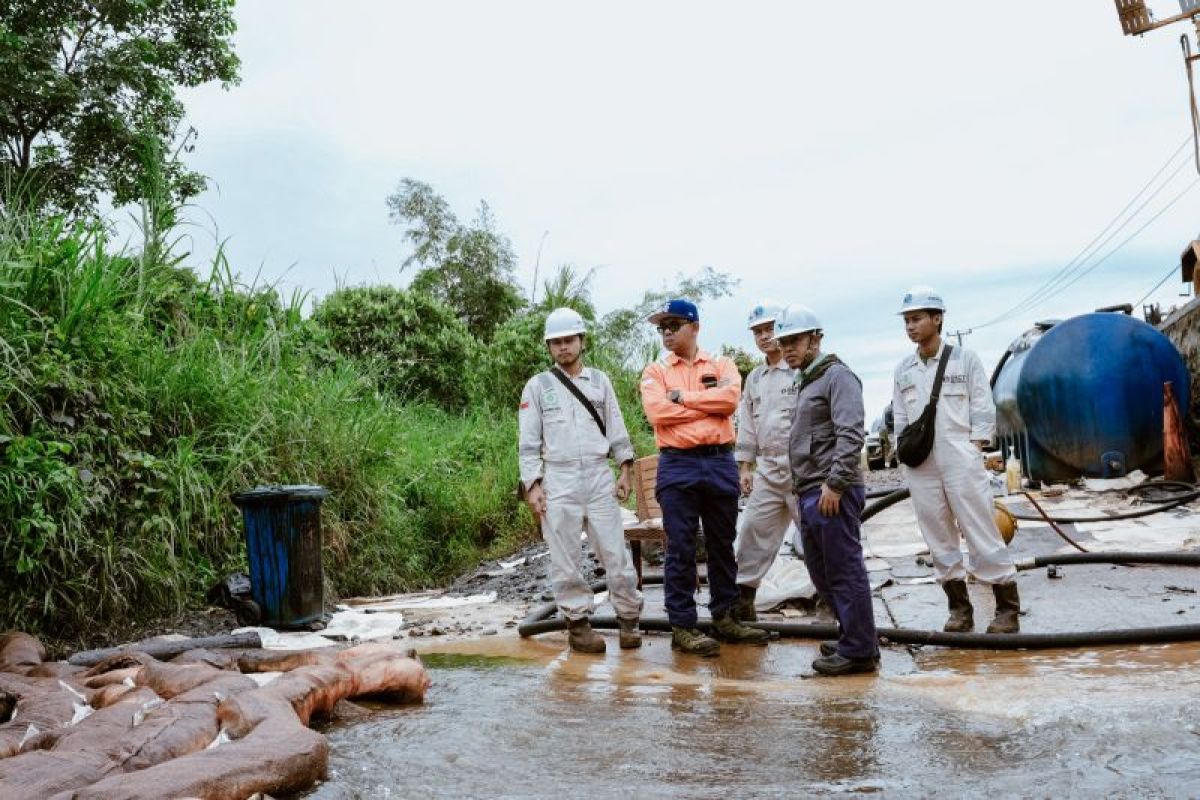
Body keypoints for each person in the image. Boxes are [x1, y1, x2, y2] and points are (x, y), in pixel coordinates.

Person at [639, 298, 771, 656]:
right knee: (680, 547)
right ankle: (683, 626)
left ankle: (725, 617)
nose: (666, 332)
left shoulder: (722, 363)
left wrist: (682, 399)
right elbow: (657, 413)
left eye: (674, 325)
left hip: (718, 461)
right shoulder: (655, 372)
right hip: (677, 463)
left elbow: (729, 401)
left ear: (694, 327)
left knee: (721, 543)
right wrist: (703, 405)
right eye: (662, 327)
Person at [892, 285, 1020, 634]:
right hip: (922, 465)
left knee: (981, 528)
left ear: (937, 319)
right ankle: (960, 610)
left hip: (960, 458)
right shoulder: (903, 369)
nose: (911, 326)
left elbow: (982, 407)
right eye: (906, 320)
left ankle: (1007, 609)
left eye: (917, 319)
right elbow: (900, 418)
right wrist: (904, 456)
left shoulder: (965, 360)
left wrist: (974, 449)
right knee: (937, 535)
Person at [518, 307, 644, 653]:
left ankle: (629, 620)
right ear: (549, 346)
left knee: (615, 553)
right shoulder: (538, 387)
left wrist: (625, 469)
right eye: (556, 342)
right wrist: (533, 485)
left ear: (581, 341)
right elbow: (528, 443)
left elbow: (616, 427)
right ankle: (578, 625)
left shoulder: (600, 381)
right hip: (558, 479)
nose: (563, 348)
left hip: (598, 475)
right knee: (566, 558)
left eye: (568, 340)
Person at [775, 303, 880, 676]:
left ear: (816, 339)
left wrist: (835, 484)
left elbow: (851, 434)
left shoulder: (838, 377)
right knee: (821, 573)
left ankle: (860, 651)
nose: (788, 349)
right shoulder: (808, 381)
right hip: (809, 491)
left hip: (830, 490)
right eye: (783, 342)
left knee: (843, 569)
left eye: (795, 340)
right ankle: (853, 636)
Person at [732, 301, 799, 621]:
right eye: (758, 331)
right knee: (753, 534)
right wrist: (745, 466)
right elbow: (747, 423)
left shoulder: (801, 370)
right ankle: (744, 602)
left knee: (815, 539)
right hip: (768, 469)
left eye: (769, 328)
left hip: (803, 470)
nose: (764, 336)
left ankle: (832, 604)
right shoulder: (756, 378)